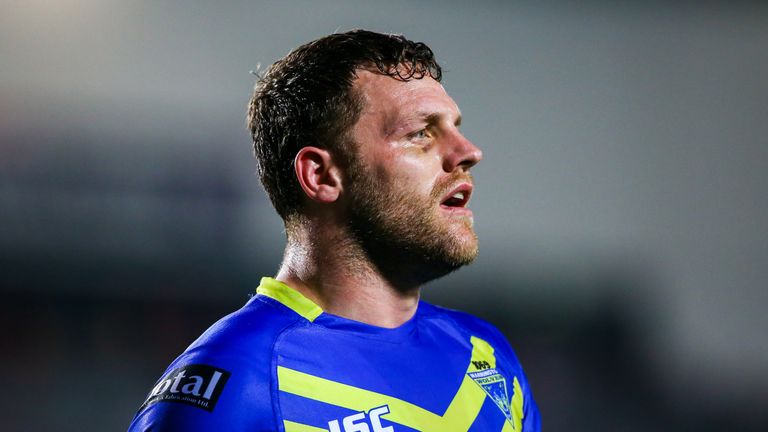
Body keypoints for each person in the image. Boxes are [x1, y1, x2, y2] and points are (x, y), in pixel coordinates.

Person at [128, 29, 541, 432]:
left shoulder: (485, 354)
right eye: (420, 133)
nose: (468, 152)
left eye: (455, 127)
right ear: (322, 175)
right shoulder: (238, 383)